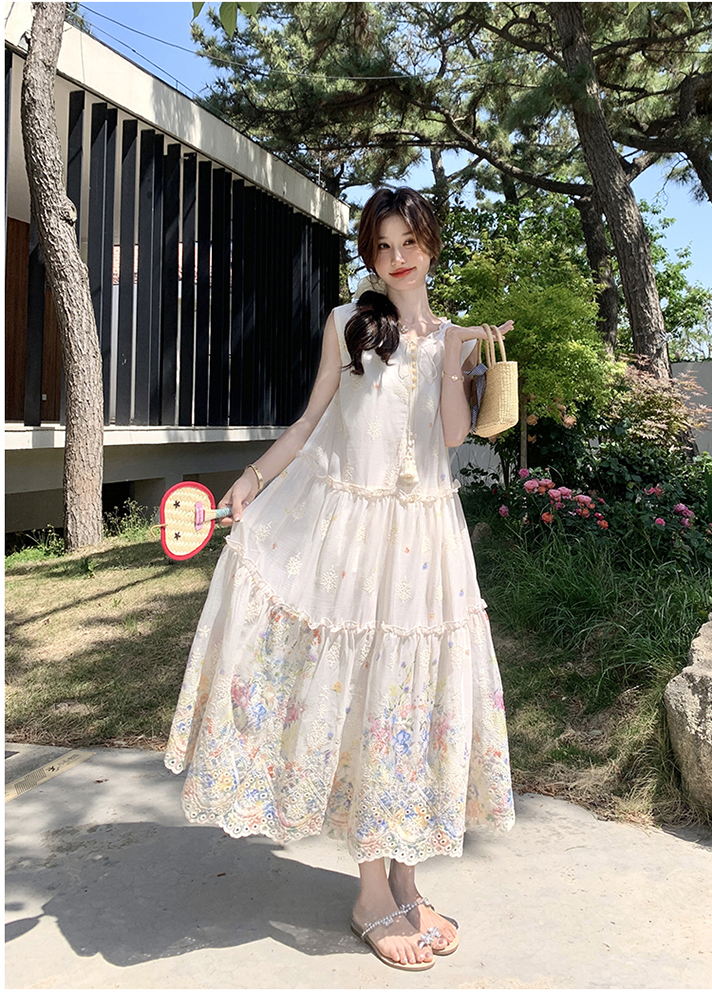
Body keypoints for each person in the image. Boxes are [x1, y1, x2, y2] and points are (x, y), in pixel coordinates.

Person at [164, 187, 515, 971]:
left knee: (414, 700)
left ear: (430, 243)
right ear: (371, 254)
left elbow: (453, 438)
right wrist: (252, 478)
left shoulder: (453, 338)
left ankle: (408, 882)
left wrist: (458, 358)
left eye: (409, 241)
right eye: (383, 245)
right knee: (365, 696)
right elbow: (311, 421)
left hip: (427, 541)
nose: (397, 258)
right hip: (355, 542)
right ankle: (370, 893)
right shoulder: (348, 324)